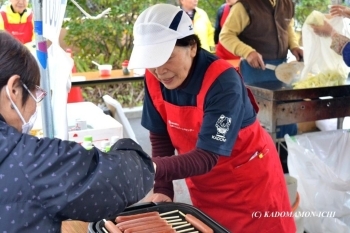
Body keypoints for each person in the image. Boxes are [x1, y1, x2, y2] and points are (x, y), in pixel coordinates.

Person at [128, 4, 295, 232]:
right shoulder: (154, 77)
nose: (159, 70)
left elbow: (206, 157)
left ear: (192, 47)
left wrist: (146, 167)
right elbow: (160, 137)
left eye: (167, 57)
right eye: (151, 59)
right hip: (205, 185)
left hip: (251, 185)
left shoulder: (222, 81)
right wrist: (163, 190)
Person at [0, 31, 154, 232]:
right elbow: (122, 178)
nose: (35, 107)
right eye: (35, 94)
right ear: (14, 90)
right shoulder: (28, 160)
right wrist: (127, 149)